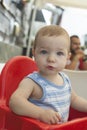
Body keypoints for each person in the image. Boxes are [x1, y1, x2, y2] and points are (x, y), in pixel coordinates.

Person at [9, 25, 87, 125]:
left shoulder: (65, 79)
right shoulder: (32, 82)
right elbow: (15, 102)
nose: (51, 59)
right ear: (34, 53)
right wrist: (41, 113)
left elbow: (74, 99)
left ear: (68, 57)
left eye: (59, 53)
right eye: (44, 52)